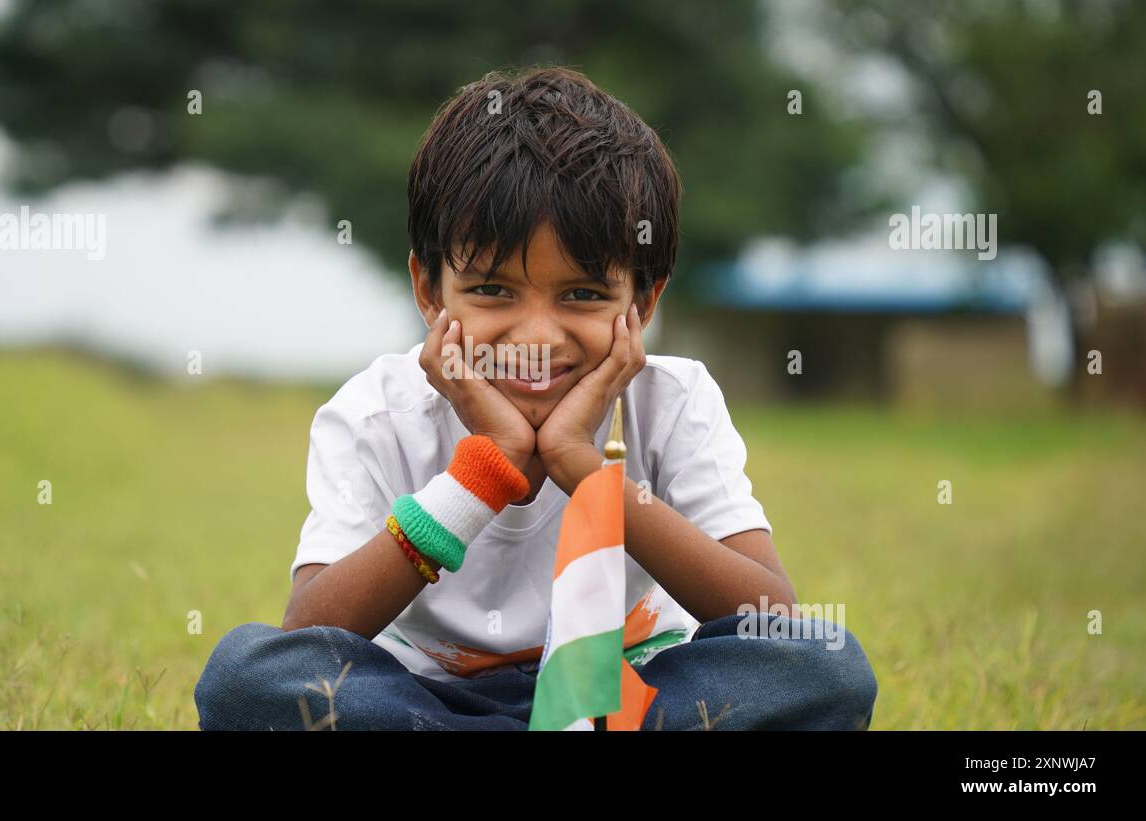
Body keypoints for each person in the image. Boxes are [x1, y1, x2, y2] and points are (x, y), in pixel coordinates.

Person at [195, 66, 878, 730]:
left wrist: (586, 471)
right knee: (246, 678)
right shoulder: (374, 412)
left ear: (642, 302)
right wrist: (483, 473)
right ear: (429, 290)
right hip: (430, 704)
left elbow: (770, 614)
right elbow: (307, 635)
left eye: (582, 294)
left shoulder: (674, 400)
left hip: (629, 698)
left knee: (825, 665)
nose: (537, 335)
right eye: (493, 290)